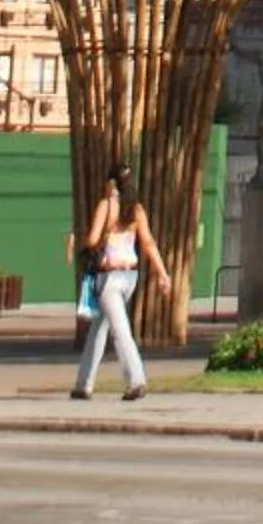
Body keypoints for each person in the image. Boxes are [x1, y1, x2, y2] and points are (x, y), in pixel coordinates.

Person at [70, 159, 170, 404]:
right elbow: (148, 243)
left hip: (109, 278)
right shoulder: (136, 209)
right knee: (98, 330)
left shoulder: (106, 205)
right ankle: (84, 385)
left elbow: (93, 240)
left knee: (120, 330)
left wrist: (76, 241)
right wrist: (162, 273)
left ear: (111, 182)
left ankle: (136, 381)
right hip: (130, 276)